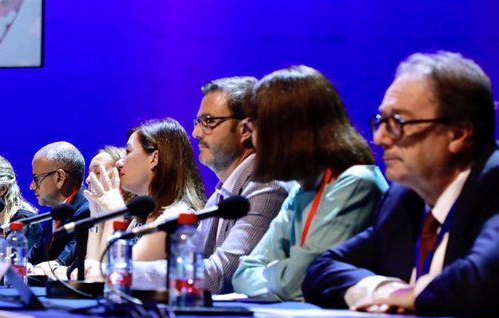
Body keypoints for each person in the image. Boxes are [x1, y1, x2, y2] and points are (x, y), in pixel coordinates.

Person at [303, 51, 499, 318]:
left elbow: (482, 280)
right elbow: (322, 268)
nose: (380, 138)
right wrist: (382, 289)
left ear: (458, 133)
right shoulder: (403, 199)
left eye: (398, 122)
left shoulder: (494, 182)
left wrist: (413, 296)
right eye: (380, 121)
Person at [232, 65, 389, 301]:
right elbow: (243, 274)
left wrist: (276, 270)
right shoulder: (300, 190)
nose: (251, 137)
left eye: (253, 125)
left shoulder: (357, 184)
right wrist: (285, 272)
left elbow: (301, 281)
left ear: (285, 130)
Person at [130, 77, 290, 294]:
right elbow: (192, 266)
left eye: (209, 121)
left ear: (245, 129)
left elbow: (219, 276)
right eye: (198, 122)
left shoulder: (267, 187)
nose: (196, 133)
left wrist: (122, 273)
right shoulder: (221, 195)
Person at [84, 117, 207, 273]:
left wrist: (114, 214)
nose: (120, 163)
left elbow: (108, 277)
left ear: (154, 158)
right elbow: (92, 269)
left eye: (128, 152)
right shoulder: (139, 219)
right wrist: (96, 217)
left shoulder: (175, 218)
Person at [27, 141, 89, 276]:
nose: (32, 186)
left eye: (36, 178)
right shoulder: (57, 212)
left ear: (60, 178)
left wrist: (30, 269)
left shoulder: (87, 211)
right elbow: (32, 258)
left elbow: (59, 264)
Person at [85, 146, 135, 260]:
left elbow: (104, 268)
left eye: (97, 172)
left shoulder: (132, 218)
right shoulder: (97, 211)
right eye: (89, 173)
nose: (88, 179)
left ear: (120, 174)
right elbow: (92, 264)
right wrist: (95, 219)